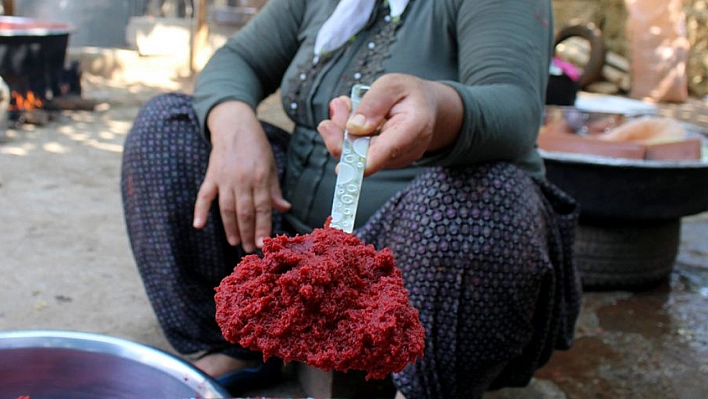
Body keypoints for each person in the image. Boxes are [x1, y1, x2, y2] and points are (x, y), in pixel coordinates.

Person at [120, 0, 582, 398]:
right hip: (284, 239)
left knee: (488, 198)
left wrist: (435, 105)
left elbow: (516, 109)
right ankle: (236, 346)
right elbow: (238, 58)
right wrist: (233, 126)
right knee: (168, 127)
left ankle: (419, 382)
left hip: (414, 274)